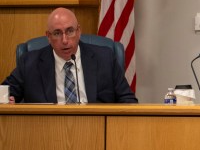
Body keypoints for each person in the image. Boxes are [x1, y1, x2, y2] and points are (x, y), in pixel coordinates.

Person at [3, 7, 137, 104]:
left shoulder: (105, 58)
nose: (65, 40)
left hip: (96, 133)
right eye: (57, 33)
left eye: (70, 31)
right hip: (47, 135)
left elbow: (129, 101)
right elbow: (3, 93)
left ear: (79, 31)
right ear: (48, 37)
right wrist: (4, 100)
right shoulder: (29, 63)